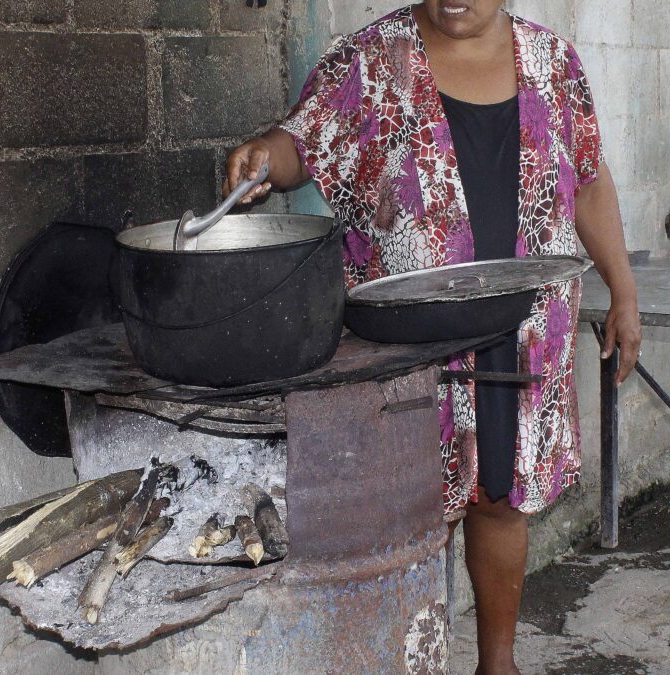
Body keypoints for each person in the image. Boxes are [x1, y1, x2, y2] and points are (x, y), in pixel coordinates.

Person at [225, 2, 641, 672]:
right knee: (417, 511)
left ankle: (497, 664)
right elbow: (302, 142)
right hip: (414, 340)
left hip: (525, 327)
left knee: (500, 496)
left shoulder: (555, 64)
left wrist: (624, 292)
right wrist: (262, 159)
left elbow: (590, 183)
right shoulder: (369, 60)